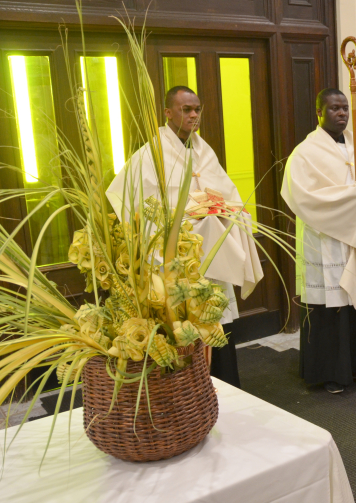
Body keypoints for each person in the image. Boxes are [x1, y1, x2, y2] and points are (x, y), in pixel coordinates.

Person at [107, 86, 263, 388]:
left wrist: (231, 212)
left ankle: (226, 385)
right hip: (175, 258)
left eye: (197, 109)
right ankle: (189, 391)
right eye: (185, 109)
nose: (193, 115)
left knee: (216, 315)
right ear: (168, 113)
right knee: (185, 323)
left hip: (211, 252)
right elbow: (129, 203)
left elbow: (229, 195)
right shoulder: (150, 155)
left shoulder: (205, 152)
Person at [280, 88, 356, 394]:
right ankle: (330, 372)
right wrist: (350, 201)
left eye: (344, 108)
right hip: (327, 239)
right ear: (319, 113)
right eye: (334, 109)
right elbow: (301, 196)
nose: (341, 114)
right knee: (331, 306)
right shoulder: (305, 153)